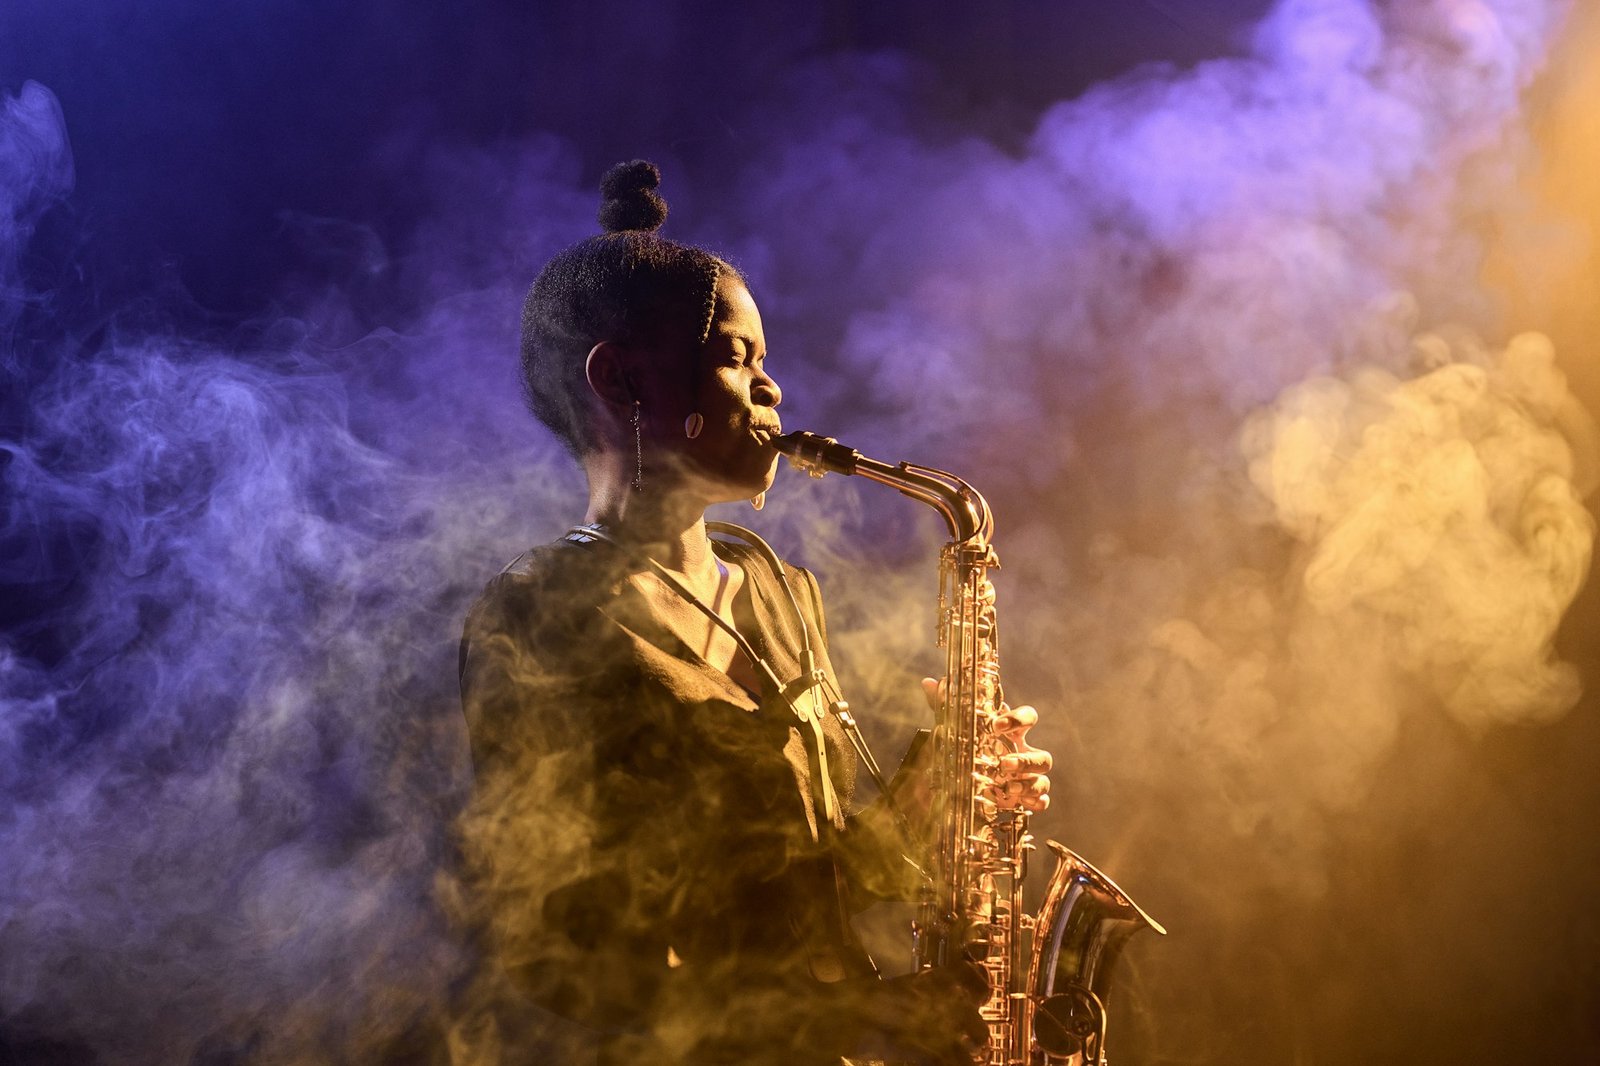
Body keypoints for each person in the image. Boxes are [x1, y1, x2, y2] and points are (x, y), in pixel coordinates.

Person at [455, 160, 1051, 1065]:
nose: (772, 390)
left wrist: (948, 787)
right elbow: (555, 959)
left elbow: (839, 875)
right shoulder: (538, 616)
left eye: (765, 362)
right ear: (620, 380)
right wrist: (834, 1020)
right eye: (737, 357)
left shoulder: (776, 588)